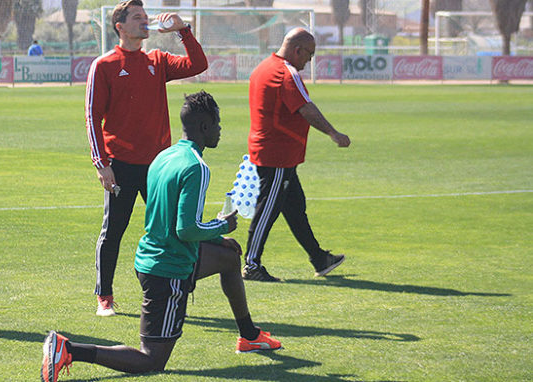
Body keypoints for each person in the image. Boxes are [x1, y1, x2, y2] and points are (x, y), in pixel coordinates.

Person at [42, 91, 281, 382]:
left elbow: (173, 222)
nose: (220, 130)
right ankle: (68, 349)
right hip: (168, 269)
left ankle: (249, 336)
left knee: (230, 256)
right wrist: (222, 226)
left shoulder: (165, 156)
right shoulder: (197, 167)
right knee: (151, 360)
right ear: (205, 127)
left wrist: (219, 240)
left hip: (156, 254)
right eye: (217, 124)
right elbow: (186, 229)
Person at [85, 0, 207, 316]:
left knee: (172, 230)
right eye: (137, 17)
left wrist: (184, 30)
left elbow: (198, 65)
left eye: (145, 16)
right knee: (114, 231)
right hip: (122, 165)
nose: (145, 21)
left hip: (159, 167)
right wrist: (103, 165)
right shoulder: (104, 65)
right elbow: (92, 117)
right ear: (120, 26)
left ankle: (175, 289)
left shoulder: (158, 60)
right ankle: (105, 297)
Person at [242, 28, 351, 282]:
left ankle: (319, 258)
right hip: (276, 155)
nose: (309, 61)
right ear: (297, 50)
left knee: (295, 208)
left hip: (275, 152)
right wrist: (333, 133)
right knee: (268, 209)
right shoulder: (286, 73)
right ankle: (251, 264)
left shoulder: (264, 67)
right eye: (309, 55)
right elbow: (306, 108)